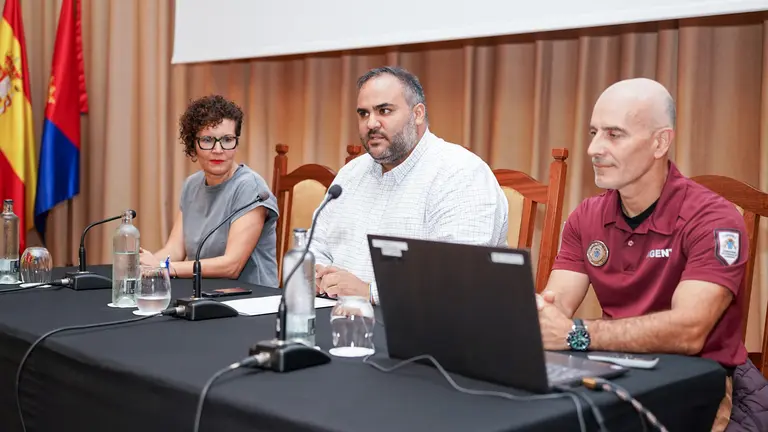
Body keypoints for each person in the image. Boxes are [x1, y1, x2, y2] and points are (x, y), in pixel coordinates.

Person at [536, 77, 768, 430]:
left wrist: (576, 334)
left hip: (694, 381)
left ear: (660, 142)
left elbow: (688, 331)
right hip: (613, 370)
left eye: (614, 134)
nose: (594, 149)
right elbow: (555, 309)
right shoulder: (586, 216)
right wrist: (537, 317)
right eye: (593, 133)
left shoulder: (715, 219)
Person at [310, 66, 509, 304]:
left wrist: (370, 292)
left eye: (384, 110)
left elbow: (458, 277)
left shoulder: (461, 173)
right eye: (363, 114)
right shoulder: (351, 174)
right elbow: (314, 245)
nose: (371, 123)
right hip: (336, 315)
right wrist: (314, 273)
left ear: (418, 114)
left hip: (429, 327)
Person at [139, 95, 280, 288]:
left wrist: (165, 268)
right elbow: (174, 249)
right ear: (193, 145)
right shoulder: (191, 185)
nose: (218, 149)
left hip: (251, 300)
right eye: (207, 140)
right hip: (204, 293)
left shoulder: (250, 187)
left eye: (227, 139)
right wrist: (145, 266)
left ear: (236, 142)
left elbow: (232, 266)